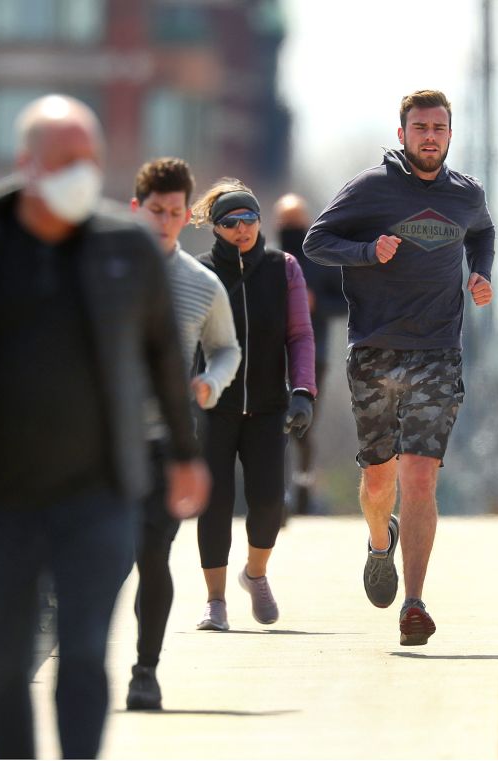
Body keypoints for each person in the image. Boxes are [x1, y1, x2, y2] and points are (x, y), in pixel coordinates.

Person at [0, 95, 210, 759]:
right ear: (25, 163)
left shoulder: (125, 247)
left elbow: (162, 357)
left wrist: (184, 454)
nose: (79, 172)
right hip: (1, 488)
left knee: (85, 651)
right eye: (64, 160)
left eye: (88, 159)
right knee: (5, 661)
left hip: (101, 487)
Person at [304, 89, 496, 646]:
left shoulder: (466, 195)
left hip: (439, 350)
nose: (430, 136)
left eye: (439, 127)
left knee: (418, 476)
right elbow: (317, 241)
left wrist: (479, 273)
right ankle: (378, 541)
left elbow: (482, 233)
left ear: (449, 135)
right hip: (375, 350)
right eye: (420, 127)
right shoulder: (371, 189)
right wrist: (367, 253)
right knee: (379, 477)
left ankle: (414, 603)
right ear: (403, 133)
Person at [125, 157, 241, 710]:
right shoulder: (106, 270)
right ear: (137, 209)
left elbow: (227, 348)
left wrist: (210, 383)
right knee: (104, 555)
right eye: (156, 211)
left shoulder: (201, 285)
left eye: (175, 213)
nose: (165, 222)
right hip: (103, 440)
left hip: (167, 444)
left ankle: (145, 670)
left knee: (153, 554)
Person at [191, 178, 316, 632]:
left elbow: (300, 336)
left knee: (267, 502)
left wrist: (302, 392)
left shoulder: (283, 269)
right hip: (214, 409)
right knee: (215, 504)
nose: (243, 229)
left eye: (250, 219)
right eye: (231, 222)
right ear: (216, 228)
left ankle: (255, 574)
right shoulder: (200, 273)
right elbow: (187, 342)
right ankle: (216, 601)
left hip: (267, 407)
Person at [273, 193, 347, 516]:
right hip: (274, 354)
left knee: (304, 421)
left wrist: (317, 304)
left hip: (315, 354)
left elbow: (346, 303)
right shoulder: (270, 261)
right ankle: (279, 490)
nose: (290, 229)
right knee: (275, 419)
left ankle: (303, 487)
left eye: (296, 223)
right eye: (285, 223)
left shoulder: (320, 261)